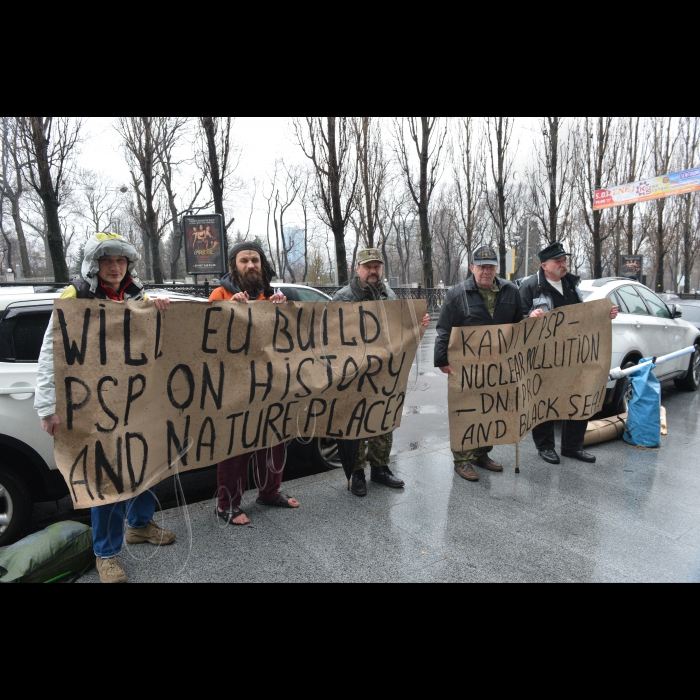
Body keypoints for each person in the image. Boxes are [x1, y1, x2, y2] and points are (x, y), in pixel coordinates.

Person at [35, 233, 176, 585]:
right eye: (107, 261)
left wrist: (157, 312)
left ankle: (140, 527)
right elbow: (49, 352)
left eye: (121, 261)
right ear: (94, 264)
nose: (115, 268)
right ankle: (107, 554)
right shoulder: (76, 296)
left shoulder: (137, 295)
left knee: (145, 463)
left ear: (128, 264)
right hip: (95, 407)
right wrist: (47, 407)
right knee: (105, 478)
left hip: (137, 402)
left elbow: (154, 342)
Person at [210, 242, 301, 526]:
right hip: (234, 387)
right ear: (234, 266)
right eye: (244, 260)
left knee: (274, 441)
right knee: (235, 447)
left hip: (270, 385)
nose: (250, 265)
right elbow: (208, 339)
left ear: (262, 265)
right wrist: (229, 310)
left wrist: (284, 311)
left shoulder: (273, 296)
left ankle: (269, 492)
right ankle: (227, 504)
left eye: (255, 260)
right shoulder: (220, 294)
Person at [333, 248, 431, 498]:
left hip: (383, 372)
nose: (373, 271)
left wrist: (418, 325)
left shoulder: (390, 295)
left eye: (377, 266)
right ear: (358, 269)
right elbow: (331, 335)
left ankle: (380, 467)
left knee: (381, 419)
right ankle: (356, 473)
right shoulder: (344, 298)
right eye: (368, 266)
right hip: (353, 373)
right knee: (355, 422)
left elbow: (400, 331)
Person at [519, 242, 620, 465]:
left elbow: (582, 317)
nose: (564, 265)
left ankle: (572, 446)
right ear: (545, 265)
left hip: (573, 356)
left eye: (564, 260)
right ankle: (545, 447)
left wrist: (604, 315)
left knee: (577, 397)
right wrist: (529, 318)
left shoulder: (572, 285)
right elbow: (517, 321)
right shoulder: (530, 287)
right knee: (543, 402)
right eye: (558, 261)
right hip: (543, 358)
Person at [435, 246, 524, 483]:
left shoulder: (511, 291)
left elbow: (519, 324)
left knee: (491, 408)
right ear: (472, 267)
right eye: (481, 266)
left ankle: (481, 454)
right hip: (466, 366)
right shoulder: (457, 293)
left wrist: (531, 321)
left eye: (490, 266)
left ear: (496, 268)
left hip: (498, 366)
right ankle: (462, 459)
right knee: (466, 409)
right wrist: (441, 359)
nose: (486, 271)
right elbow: (444, 328)